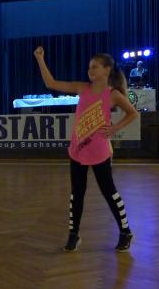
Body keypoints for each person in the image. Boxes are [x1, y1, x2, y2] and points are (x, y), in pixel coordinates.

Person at [33, 47, 139, 252]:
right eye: (89, 67)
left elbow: (132, 113)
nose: (90, 70)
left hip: (99, 151)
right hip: (78, 150)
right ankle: (73, 234)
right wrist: (40, 59)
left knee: (109, 192)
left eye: (95, 67)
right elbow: (51, 83)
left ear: (107, 70)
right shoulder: (82, 88)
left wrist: (115, 128)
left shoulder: (113, 94)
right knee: (77, 193)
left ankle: (125, 231)